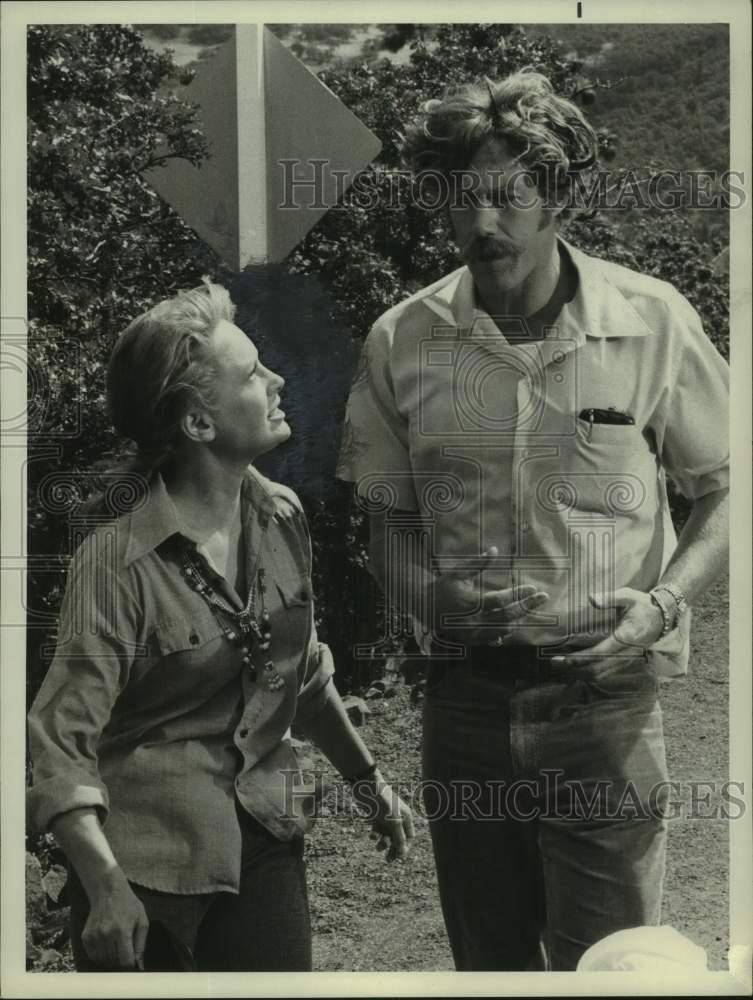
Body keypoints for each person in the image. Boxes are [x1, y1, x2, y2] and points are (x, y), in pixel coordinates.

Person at [337, 71, 729, 971]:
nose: (481, 226)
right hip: (463, 706)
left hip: (604, 705)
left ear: (557, 197)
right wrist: (429, 602)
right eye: (458, 203)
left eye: (505, 198)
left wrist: (662, 607)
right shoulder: (402, 339)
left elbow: (725, 486)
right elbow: (384, 519)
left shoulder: (650, 321)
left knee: (619, 969)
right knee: (491, 970)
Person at [27, 280, 414, 973]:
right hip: (144, 874)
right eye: (250, 373)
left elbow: (301, 674)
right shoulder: (116, 564)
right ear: (198, 425)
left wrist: (370, 782)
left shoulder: (281, 516)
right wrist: (105, 887)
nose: (276, 380)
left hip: (264, 837)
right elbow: (61, 745)